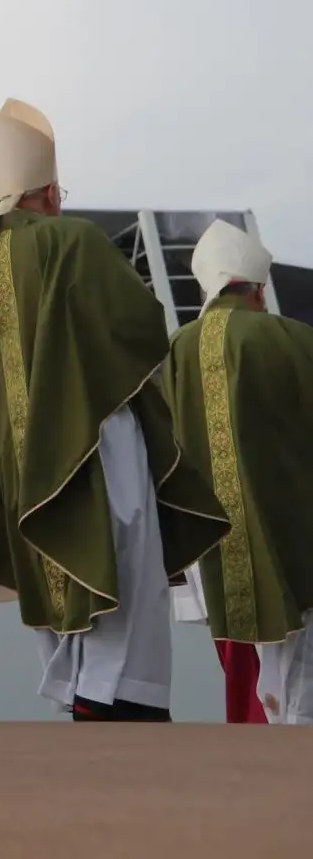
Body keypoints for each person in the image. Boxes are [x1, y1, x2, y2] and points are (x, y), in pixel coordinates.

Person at [0, 99, 225, 722]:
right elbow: (140, 325)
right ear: (47, 191)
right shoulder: (70, 241)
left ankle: (80, 688)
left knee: (56, 554)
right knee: (125, 550)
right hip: (91, 437)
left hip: (17, 460)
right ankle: (120, 696)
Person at [164, 221, 313, 725]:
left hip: (212, 548)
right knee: (300, 674)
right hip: (293, 538)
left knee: (246, 664)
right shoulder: (292, 337)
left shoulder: (177, 349)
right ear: (258, 289)